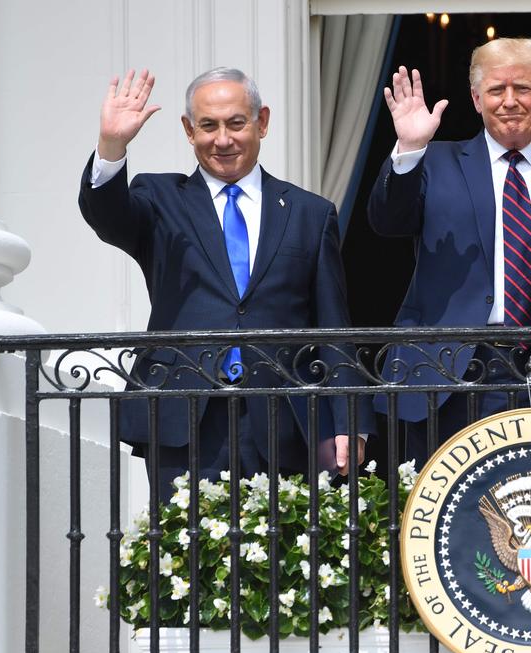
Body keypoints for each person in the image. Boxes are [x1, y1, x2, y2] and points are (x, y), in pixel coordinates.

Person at [79, 68, 370, 500]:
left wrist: (349, 419)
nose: (223, 139)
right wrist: (112, 146)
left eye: (236, 123)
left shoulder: (310, 213)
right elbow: (106, 214)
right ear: (188, 130)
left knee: (281, 561)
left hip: (283, 418)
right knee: (185, 559)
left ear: (262, 122)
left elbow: (333, 326)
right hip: (184, 414)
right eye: (208, 126)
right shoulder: (161, 199)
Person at [367, 38, 531, 466]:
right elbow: (387, 223)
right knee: (443, 522)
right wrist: (409, 149)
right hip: (448, 380)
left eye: (523, 88)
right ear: (475, 98)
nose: (510, 101)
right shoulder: (432, 163)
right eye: (496, 89)